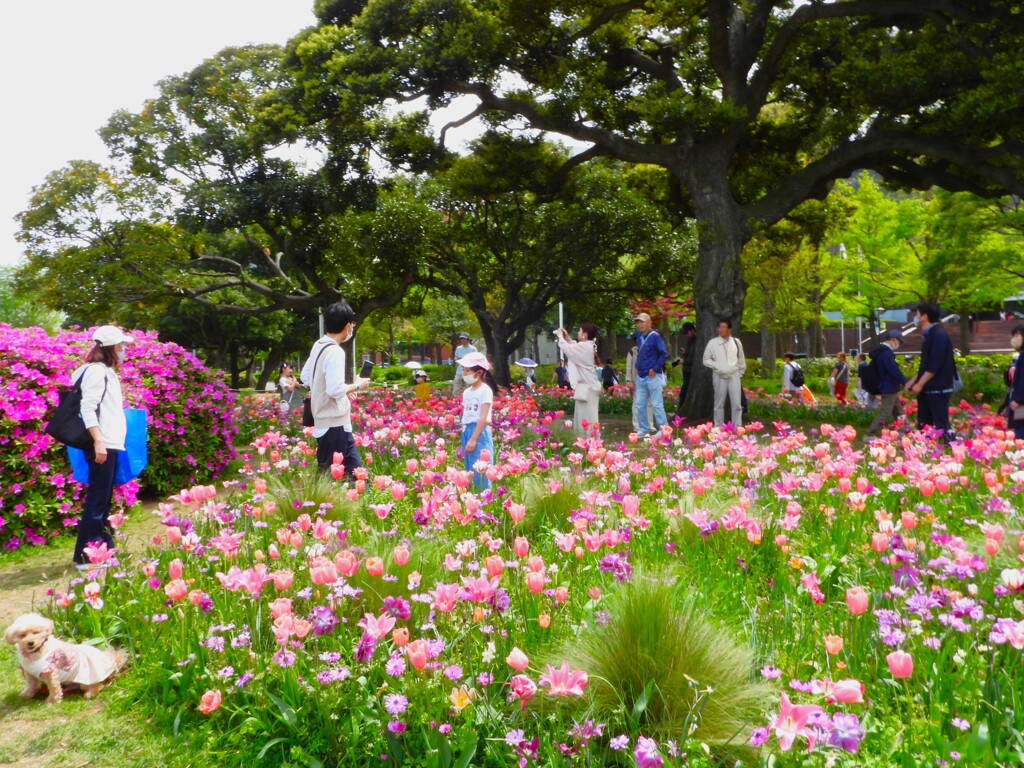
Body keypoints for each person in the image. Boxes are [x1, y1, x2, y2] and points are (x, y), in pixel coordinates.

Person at [71, 325, 133, 567]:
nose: (124, 350)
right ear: (112, 348)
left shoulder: (90, 370)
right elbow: (88, 407)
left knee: (103, 499)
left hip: (107, 442)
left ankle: (105, 549)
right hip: (103, 442)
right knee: (98, 499)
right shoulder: (97, 372)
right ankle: (88, 554)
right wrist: (99, 441)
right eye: (121, 346)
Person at [301, 301, 372, 478]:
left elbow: (305, 377)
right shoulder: (335, 351)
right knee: (329, 475)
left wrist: (343, 389)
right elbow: (334, 390)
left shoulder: (319, 345)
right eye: (352, 324)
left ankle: (368, 500)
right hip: (333, 423)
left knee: (356, 473)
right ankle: (320, 504)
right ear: (347, 326)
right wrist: (357, 385)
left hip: (332, 422)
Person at [905, 302, 956, 441]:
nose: (915, 317)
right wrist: (914, 380)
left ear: (924, 316)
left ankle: (950, 451)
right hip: (929, 389)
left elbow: (935, 365)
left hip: (938, 388)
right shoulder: (929, 335)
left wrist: (920, 383)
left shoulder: (938, 335)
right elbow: (925, 365)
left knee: (940, 425)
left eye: (917, 314)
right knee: (924, 425)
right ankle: (926, 452)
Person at [555, 322, 603, 437]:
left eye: (580, 331)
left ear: (585, 335)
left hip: (588, 389)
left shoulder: (585, 347)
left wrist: (561, 338)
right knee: (585, 416)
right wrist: (568, 339)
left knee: (586, 418)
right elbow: (573, 348)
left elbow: (569, 350)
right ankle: (587, 440)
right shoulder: (587, 346)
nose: (578, 332)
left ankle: (589, 441)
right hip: (587, 388)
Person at [458, 352, 497, 490]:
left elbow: (482, 416)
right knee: (469, 469)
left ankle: (484, 501)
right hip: (467, 430)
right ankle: (472, 499)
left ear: (479, 372)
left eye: (467, 370)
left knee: (481, 468)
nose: (464, 373)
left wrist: (473, 439)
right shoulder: (467, 392)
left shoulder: (485, 390)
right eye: (463, 370)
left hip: (479, 432)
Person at [702, 318, 746, 427]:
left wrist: (740, 373)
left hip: (734, 375)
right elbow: (706, 359)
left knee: (736, 404)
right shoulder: (712, 343)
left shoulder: (736, 342)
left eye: (723, 327)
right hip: (719, 375)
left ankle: (737, 426)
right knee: (719, 403)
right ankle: (718, 426)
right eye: (719, 327)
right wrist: (717, 366)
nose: (720, 330)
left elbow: (741, 359)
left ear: (729, 329)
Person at [864, 331, 908, 438]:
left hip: (888, 386)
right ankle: (869, 433)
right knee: (885, 412)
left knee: (898, 411)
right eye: (899, 342)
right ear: (893, 340)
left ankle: (903, 431)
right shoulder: (886, 353)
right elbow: (893, 371)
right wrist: (906, 381)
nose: (899, 345)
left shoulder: (880, 352)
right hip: (889, 387)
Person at [633, 312, 669, 437]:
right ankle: (643, 428)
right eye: (638, 322)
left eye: (642, 321)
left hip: (652, 375)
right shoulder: (639, 337)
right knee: (640, 404)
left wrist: (655, 368)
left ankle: (664, 429)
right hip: (641, 375)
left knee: (657, 404)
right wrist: (638, 367)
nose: (640, 324)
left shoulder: (655, 336)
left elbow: (664, 353)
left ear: (649, 322)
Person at [624, 343, 652, 434]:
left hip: (649, 380)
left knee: (649, 403)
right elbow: (628, 367)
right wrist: (629, 380)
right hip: (637, 381)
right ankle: (637, 425)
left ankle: (649, 424)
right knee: (637, 403)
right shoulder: (633, 351)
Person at [671, 322, 697, 413]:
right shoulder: (690, 340)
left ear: (693, 330)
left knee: (684, 392)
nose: (686, 335)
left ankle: (681, 410)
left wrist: (684, 361)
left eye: (687, 332)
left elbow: (695, 357)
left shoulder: (697, 341)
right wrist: (685, 352)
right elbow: (690, 353)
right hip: (686, 370)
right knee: (684, 391)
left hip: (691, 371)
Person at [1007, 326, 1024, 440]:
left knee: (1021, 430)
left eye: (1017, 335)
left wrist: (1018, 399)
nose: (1014, 339)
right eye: (1013, 335)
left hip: (1021, 403)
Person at [452, 333, 477, 397]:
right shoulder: (458, 348)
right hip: (459, 371)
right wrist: (458, 360)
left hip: (469, 371)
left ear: (468, 339)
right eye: (461, 339)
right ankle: (455, 400)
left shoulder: (473, 349)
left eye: (464, 339)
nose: (462, 340)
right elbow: (456, 358)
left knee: (468, 387)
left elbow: (475, 360)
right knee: (456, 386)